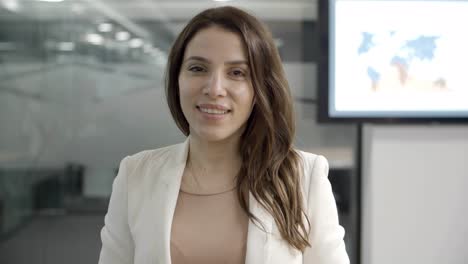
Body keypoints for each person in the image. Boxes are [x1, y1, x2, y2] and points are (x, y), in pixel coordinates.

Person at [98, 6, 349, 264]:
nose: (215, 88)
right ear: (177, 79)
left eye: (237, 73)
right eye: (198, 68)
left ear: (260, 88)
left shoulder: (302, 177)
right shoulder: (136, 176)